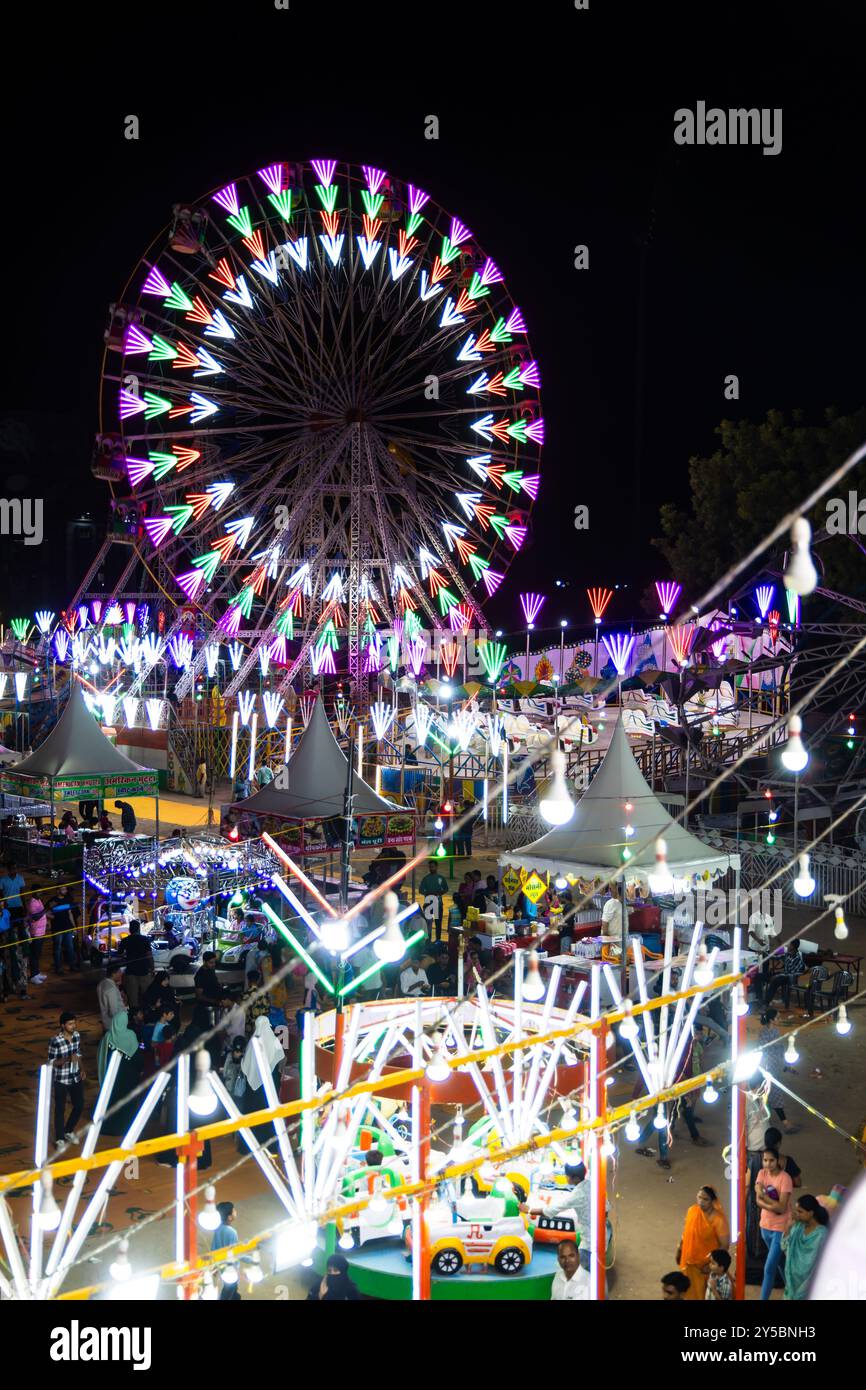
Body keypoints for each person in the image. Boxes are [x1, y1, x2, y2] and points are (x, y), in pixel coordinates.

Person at [676, 1186, 729, 1299]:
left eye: (706, 1199)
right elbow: (686, 1232)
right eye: (699, 1197)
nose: (701, 1202)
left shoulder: (718, 1220)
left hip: (704, 1268)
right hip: (688, 1262)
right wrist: (680, 1249)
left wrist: (710, 1266)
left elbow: (724, 1246)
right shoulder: (692, 1211)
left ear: (713, 1201)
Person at [755, 1146, 793, 1300]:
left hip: (780, 1228)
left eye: (771, 1160)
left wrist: (765, 1199)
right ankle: (793, 1291)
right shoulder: (761, 1173)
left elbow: (782, 1207)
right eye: (765, 1160)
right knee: (779, 1262)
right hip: (765, 1226)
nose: (768, 1164)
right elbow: (758, 1199)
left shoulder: (785, 1178)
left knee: (769, 1268)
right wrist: (772, 1205)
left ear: (777, 1161)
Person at [97, 1009, 143, 1134]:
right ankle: (126, 1128)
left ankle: (109, 1128)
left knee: (112, 1100)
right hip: (129, 1078)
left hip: (112, 1077)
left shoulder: (107, 1037)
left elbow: (102, 1057)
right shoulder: (130, 1035)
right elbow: (137, 1057)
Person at [782, 1195, 829, 1300]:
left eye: (800, 1211)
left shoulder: (822, 1234)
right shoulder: (798, 1227)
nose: (797, 1215)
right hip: (792, 1285)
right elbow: (785, 1247)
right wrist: (788, 1227)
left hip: (809, 1285)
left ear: (811, 1213)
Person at [49, 1011, 85, 1145]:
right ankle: (59, 1138)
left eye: (74, 1023)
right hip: (61, 1080)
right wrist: (68, 1059)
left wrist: (82, 1069)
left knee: (79, 1105)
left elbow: (78, 1054)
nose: (73, 1026)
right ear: (63, 1025)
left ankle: (68, 1130)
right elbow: (52, 1062)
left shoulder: (77, 1036)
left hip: (75, 1077)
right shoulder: (55, 1041)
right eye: (70, 1024)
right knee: (60, 1109)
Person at [758, 1009, 796, 1132]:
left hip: (775, 1067)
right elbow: (764, 1050)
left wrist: (785, 1066)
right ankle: (785, 1123)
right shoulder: (764, 1034)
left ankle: (766, 1120)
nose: (779, 1019)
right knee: (775, 1094)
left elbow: (780, 1051)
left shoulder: (775, 1031)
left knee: (769, 1095)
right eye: (777, 1017)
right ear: (771, 1020)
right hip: (768, 1068)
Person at [120, 920, 154, 1009]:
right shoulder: (145, 939)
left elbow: (119, 953)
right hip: (144, 971)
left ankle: (134, 1017)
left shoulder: (125, 940)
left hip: (130, 971)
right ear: (139, 929)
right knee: (147, 996)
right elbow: (149, 955)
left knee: (133, 998)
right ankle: (147, 1015)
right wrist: (152, 968)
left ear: (130, 929)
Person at [764, 938, 805, 1009]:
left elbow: (792, 974)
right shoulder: (788, 954)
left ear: (792, 947)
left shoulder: (798, 958)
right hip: (784, 975)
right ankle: (759, 999)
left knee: (775, 981)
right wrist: (765, 953)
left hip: (790, 978)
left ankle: (765, 1003)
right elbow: (775, 958)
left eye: (789, 945)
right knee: (761, 976)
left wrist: (778, 975)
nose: (788, 946)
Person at [51, 883, 79, 973]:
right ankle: (58, 968)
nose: (65, 891)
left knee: (70, 947)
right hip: (57, 928)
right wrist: (53, 919)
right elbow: (46, 913)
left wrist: (74, 927)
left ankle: (72, 965)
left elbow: (70, 913)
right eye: (63, 889)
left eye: (65, 889)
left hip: (67, 927)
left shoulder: (68, 900)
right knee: (57, 948)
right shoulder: (52, 901)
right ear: (57, 890)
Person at [419, 861, 449, 941]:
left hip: (437, 903)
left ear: (436, 867)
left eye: (432, 866)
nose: (431, 868)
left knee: (438, 923)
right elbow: (421, 890)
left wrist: (438, 893)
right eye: (430, 867)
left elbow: (446, 889)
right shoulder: (426, 879)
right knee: (428, 923)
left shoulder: (441, 878)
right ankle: (428, 940)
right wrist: (429, 893)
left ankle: (437, 940)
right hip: (429, 903)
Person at [26, 888, 49, 982]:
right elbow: (35, 917)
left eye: (41, 891)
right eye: (38, 891)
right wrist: (46, 909)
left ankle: (36, 973)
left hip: (41, 932)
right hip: (35, 933)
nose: (40, 893)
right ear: (34, 892)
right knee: (34, 954)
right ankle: (33, 976)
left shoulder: (38, 900)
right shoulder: (32, 902)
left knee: (37, 954)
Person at [97, 961, 126, 1031]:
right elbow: (113, 1011)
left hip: (106, 1023)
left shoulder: (101, 983)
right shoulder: (111, 988)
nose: (121, 973)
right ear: (113, 973)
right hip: (114, 1026)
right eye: (119, 972)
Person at [241, 970, 271, 1036]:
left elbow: (242, 1013)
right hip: (262, 1027)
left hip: (250, 1028)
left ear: (248, 980)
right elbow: (268, 1010)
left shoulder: (245, 995)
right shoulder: (265, 994)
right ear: (258, 980)